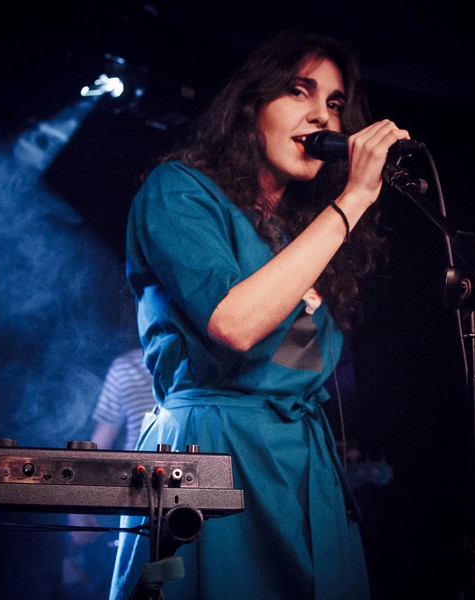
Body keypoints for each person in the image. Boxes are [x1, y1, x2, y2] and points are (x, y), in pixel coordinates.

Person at [109, 29, 411, 600]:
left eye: (335, 104)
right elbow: (236, 324)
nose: (322, 116)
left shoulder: (301, 234)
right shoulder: (179, 192)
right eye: (300, 91)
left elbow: (296, 360)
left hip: (299, 464)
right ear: (253, 106)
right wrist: (352, 199)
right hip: (212, 450)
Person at [62, 347, 156, 599]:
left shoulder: (202, 357)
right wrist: (76, 504)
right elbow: (100, 442)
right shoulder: (125, 366)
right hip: (135, 494)